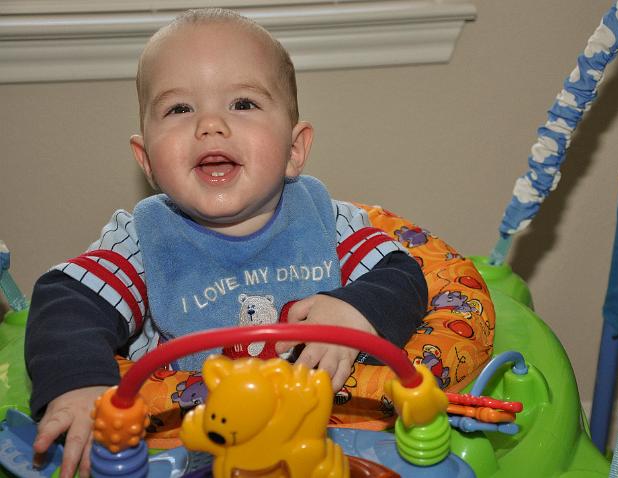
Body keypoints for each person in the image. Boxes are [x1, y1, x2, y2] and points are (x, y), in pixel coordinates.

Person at [24, 9, 427, 478]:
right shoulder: (142, 243)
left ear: (294, 149)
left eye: (243, 103)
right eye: (180, 109)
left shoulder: (326, 223)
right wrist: (78, 384)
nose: (210, 124)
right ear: (147, 161)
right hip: (189, 446)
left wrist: (354, 312)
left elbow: (403, 276)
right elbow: (69, 301)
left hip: (319, 442)